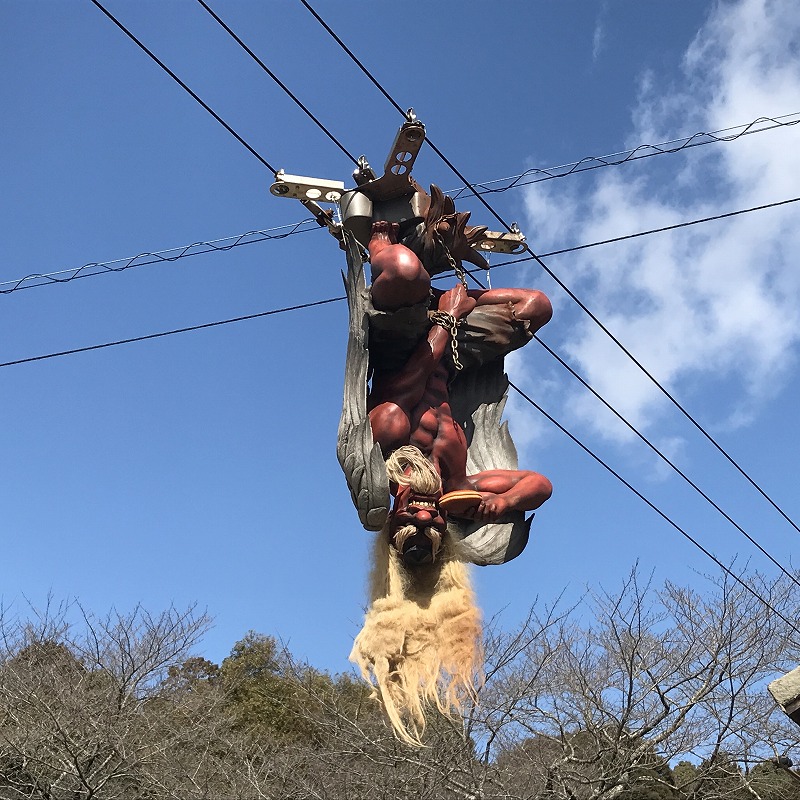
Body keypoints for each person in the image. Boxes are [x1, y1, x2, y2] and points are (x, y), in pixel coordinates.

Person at [365, 219, 553, 566]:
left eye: (409, 523)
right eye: (432, 527)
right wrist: (502, 504)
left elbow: (412, 377)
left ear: (392, 516)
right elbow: (539, 485)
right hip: (451, 349)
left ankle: (378, 245)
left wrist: (447, 317)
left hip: (402, 338)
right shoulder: (456, 485)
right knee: (535, 307)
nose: (424, 517)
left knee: (404, 271)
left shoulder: (384, 449)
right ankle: (437, 294)